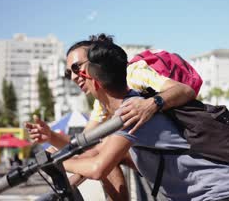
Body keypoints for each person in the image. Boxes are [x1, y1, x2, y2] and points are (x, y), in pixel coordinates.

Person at [60, 40, 229, 200]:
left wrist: (58, 164)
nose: (75, 78)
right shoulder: (128, 106)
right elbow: (96, 150)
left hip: (219, 193)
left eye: (77, 70)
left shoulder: (131, 112)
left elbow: (98, 167)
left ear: (95, 80)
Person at [25, 34, 196, 200]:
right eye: (69, 73)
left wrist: (150, 104)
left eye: (77, 67)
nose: (75, 77)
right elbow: (86, 146)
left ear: (95, 62)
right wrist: (51, 137)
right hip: (165, 161)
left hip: (189, 155)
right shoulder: (102, 102)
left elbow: (186, 91)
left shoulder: (132, 75)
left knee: (108, 156)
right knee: (103, 153)